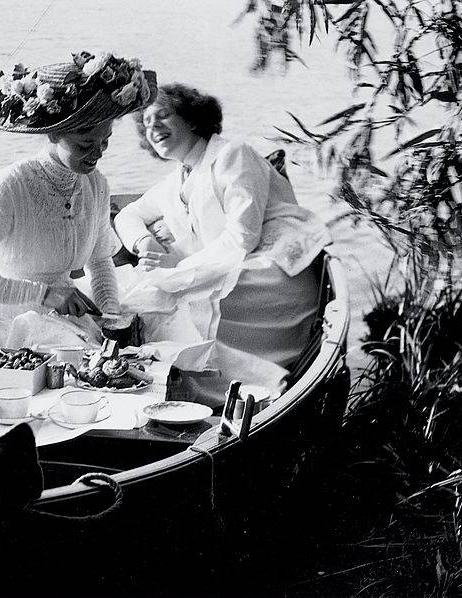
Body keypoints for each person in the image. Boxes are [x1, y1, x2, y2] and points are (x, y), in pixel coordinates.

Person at [113, 83, 331, 398]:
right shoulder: (178, 178)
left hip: (273, 273)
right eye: (146, 123)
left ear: (191, 120)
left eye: (163, 116)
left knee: (175, 300)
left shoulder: (232, 154)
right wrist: (144, 243)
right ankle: (176, 380)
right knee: (150, 296)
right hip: (232, 266)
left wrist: (180, 266)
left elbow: (243, 238)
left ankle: (231, 384)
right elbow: (127, 214)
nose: (153, 127)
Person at [0, 51, 157, 358]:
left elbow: (99, 262)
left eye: (105, 141)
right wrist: (45, 294)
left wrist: (111, 316)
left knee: (142, 341)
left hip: (67, 317)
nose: (98, 153)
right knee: (85, 363)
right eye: (85, 145)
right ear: (53, 134)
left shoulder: (96, 185)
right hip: (8, 323)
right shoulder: (7, 187)